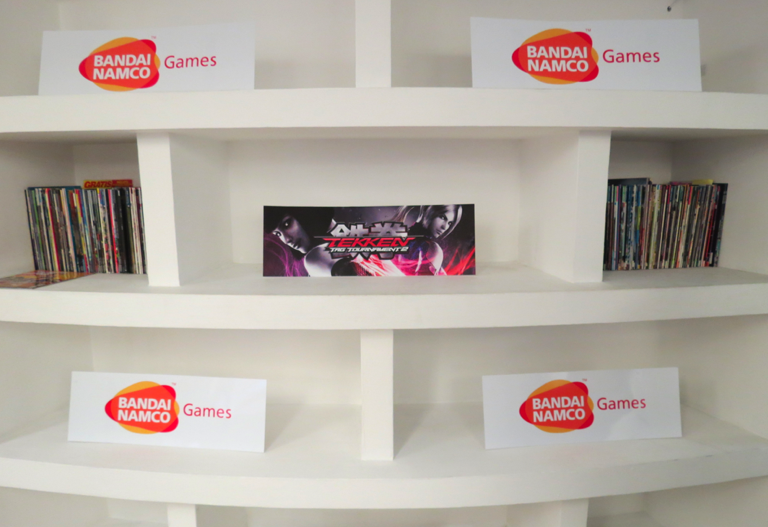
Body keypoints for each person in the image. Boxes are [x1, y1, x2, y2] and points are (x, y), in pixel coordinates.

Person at [264, 206, 357, 276]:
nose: (287, 240)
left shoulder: (315, 257)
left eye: (287, 224)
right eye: (278, 234)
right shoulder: (352, 238)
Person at [392, 205, 463, 275]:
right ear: (429, 211)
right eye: (442, 217)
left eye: (450, 223)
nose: (445, 227)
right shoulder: (432, 248)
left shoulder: (399, 238)